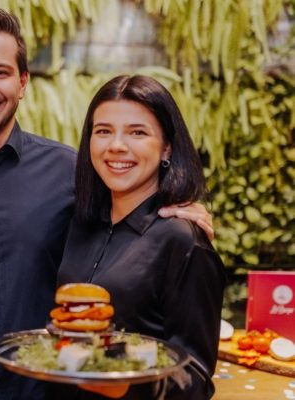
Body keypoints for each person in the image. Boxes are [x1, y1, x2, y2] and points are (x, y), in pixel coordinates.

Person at [0, 9, 213, 400]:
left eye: (1, 72)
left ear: (23, 82)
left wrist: (179, 213)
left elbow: (130, 225)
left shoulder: (73, 175)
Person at [51, 75, 225, 399]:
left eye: (137, 132)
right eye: (103, 131)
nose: (116, 145)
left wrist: (124, 384)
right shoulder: (80, 223)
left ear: (167, 147)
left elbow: (196, 378)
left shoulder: (183, 241)